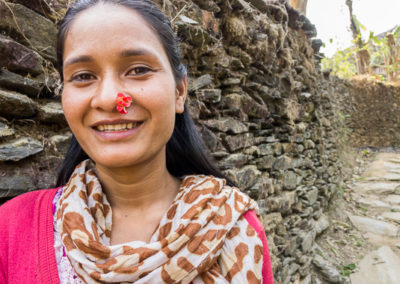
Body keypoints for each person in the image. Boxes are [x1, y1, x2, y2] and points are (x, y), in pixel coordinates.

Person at [0, 0, 273, 283]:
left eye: (139, 70)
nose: (108, 99)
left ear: (180, 92)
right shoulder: (10, 229)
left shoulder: (232, 226)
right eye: (83, 76)